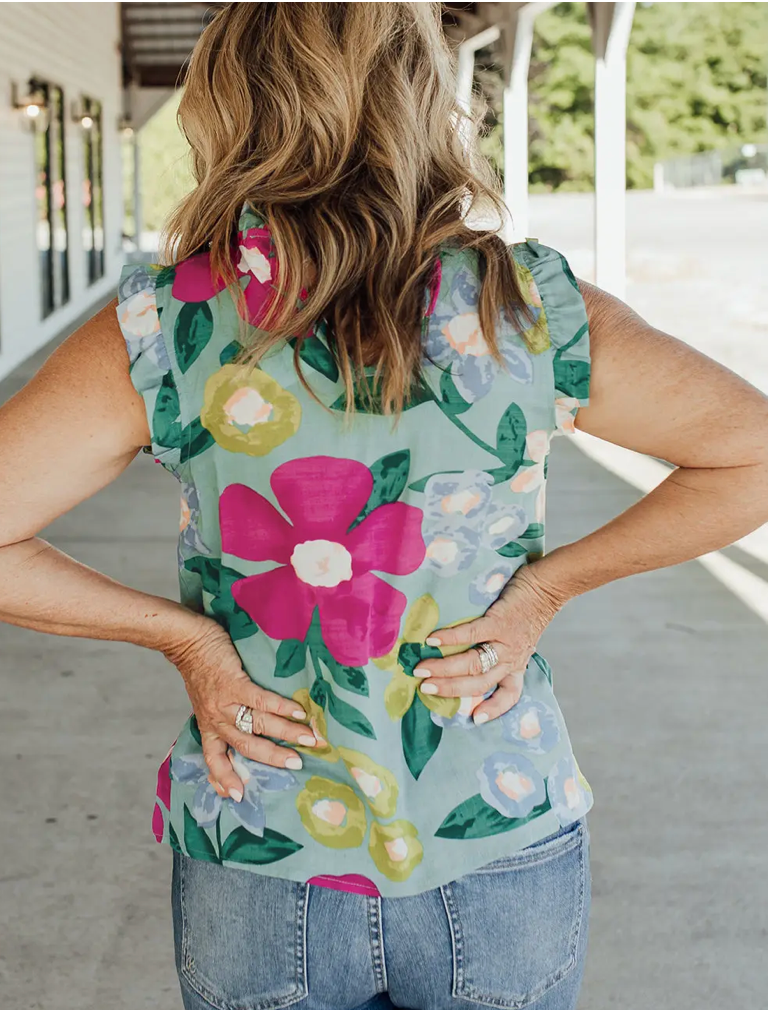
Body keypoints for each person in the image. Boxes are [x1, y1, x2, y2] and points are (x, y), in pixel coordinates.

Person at [2, 4, 767, 1009]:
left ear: (227, 104)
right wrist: (546, 589)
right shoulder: (526, 311)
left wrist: (187, 642)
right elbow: (750, 451)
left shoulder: (169, 323)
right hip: (495, 823)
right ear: (420, 99)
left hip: (263, 836)